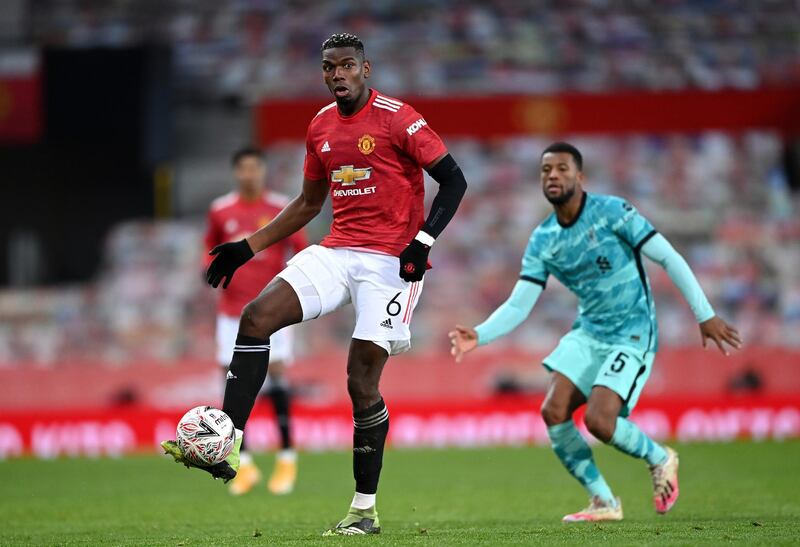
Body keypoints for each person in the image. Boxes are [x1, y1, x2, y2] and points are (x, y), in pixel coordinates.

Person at [163, 32, 467, 536]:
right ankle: (228, 438)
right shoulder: (320, 126)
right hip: (338, 248)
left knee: (360, 380)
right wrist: (248, 246)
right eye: (330, 68)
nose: (338, 74)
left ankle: (363, 510)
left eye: (347, 65)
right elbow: (307, 204)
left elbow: (453, 180)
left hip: (391, 261)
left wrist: (423, 241)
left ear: (365, 70)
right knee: (256, 316)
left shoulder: (398, 117)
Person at [449, 142, 741, 522]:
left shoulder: (613, 212)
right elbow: (520, 303)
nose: (553, 176)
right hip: (589, 332)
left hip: (632, 331)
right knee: (553, 410)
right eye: (545, 170)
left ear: (580, 177)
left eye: (562, 169)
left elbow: (668, 257)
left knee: (600, 422)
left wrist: (705, 314)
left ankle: (660, 457)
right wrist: (481, 334)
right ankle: (604, 501)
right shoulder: (544, 240)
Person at [204, 146, 307, 496]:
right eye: (243, 168)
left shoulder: (281, 207)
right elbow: (211, 254)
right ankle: (241, 463)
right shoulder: (220, 210)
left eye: (255, 168)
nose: (249, 174)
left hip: (271, 309)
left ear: (263, 171)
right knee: (231, 379)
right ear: (236, 172)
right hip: (231, 310)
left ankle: (287, 456)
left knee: (276, 372)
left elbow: (300, 252)